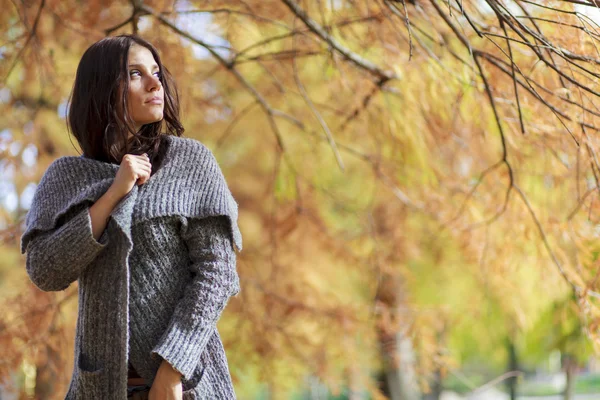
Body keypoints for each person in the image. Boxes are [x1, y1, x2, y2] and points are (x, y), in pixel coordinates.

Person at [19, 34, 243, 400]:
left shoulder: (189, 162)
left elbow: (217, 273)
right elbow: (45, 271)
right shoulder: (67, 177)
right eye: (136, 74)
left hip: (183, 385)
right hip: (101, 387)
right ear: (103, 88)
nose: (156, 83)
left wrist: (172, 370)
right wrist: (112, 195)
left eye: (156, 72)